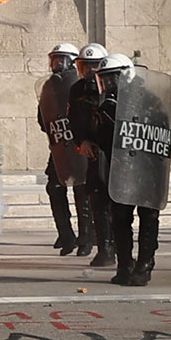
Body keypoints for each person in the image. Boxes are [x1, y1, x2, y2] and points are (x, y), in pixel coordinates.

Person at [93, 54, 160, 286]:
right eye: (104, 80)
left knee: (148, 216)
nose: (108, 85)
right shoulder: (106, 106)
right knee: (120, 217)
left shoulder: (149, 99)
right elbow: (102, 140)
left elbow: (161, 129)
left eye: (111, 79)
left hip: (147, 167)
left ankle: (145, 264)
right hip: (121, 169)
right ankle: (124, 265)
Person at [65, 43, 115, 269]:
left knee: (117, 203)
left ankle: (120, 247)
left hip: (116, 152)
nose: (90, 71)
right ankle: (104, 249)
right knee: (97, 198)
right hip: (94, 152)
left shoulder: (114, 87)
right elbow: (73, 121)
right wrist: (81, 141)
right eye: (85, 66)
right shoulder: (77, 90)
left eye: (94, 66)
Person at [38, 42, 86, 256]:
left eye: (61, 60)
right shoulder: (49, 86)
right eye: (54, 60)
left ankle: (86, 236)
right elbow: (43, 119)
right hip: (60, 145)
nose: (57, 65)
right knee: (54, 187)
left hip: (79, 145)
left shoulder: (80, 85)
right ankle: (65, 234)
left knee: (82, 190)